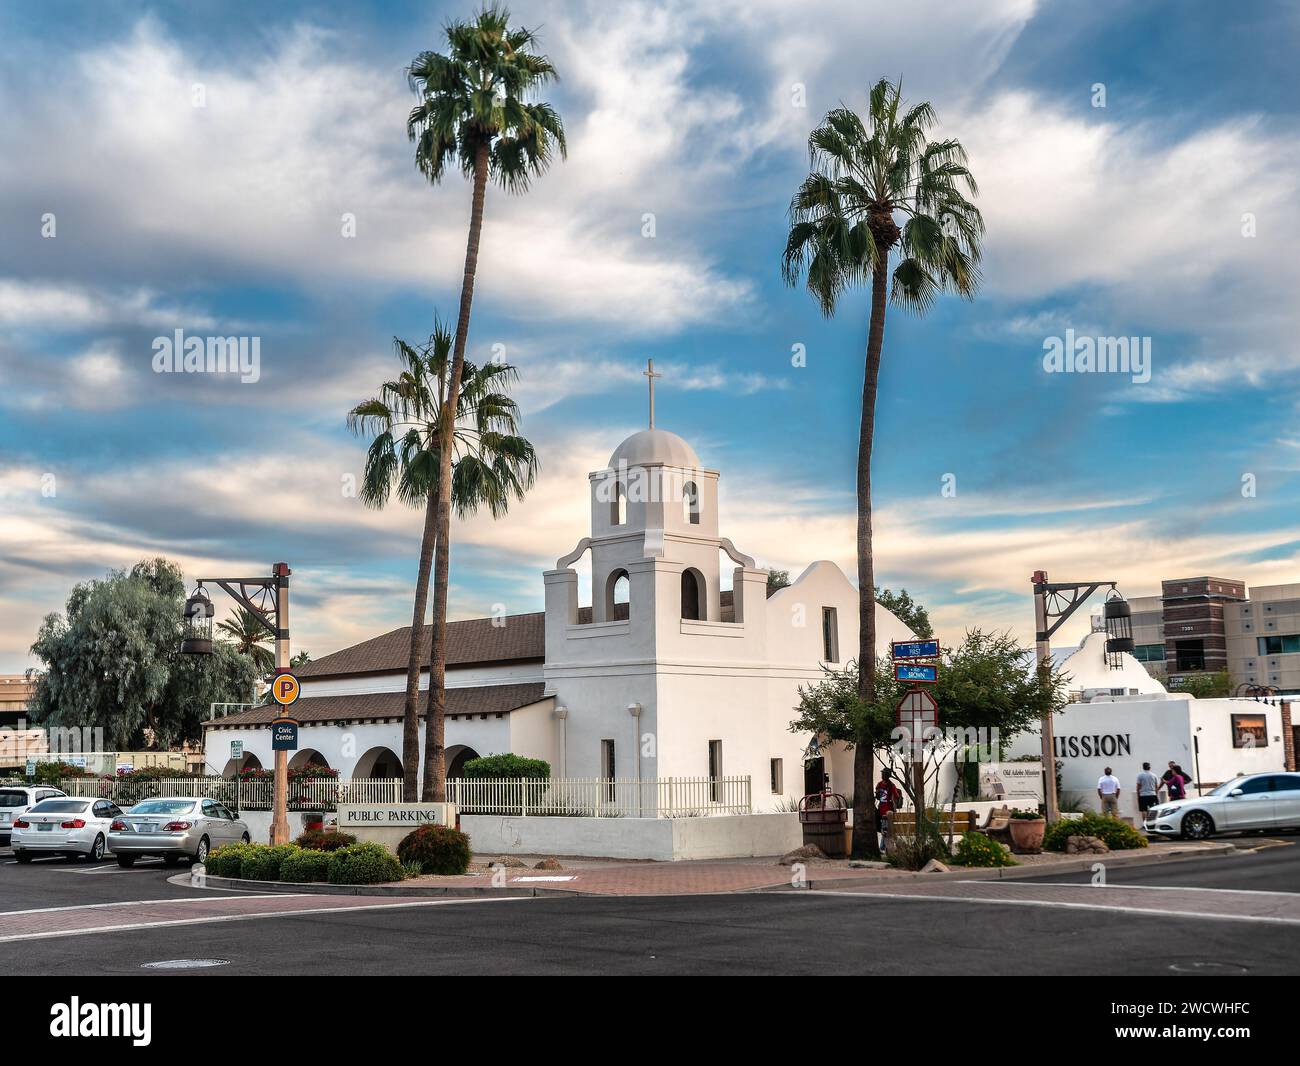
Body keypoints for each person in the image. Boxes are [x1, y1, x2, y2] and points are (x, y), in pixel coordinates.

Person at [875, 769, 903, 853]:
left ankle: (882, 847)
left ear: (888, 775)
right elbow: (877, 797)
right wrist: (877, 793)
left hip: (888, 812)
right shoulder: (879, 785)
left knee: (885, 829)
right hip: (881, 810)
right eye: (882, 774)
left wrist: (893, 802)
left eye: (884, 774)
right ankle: (883, 847)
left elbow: (897, 797)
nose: (882, 775)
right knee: (885, 829)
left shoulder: (891, 786)